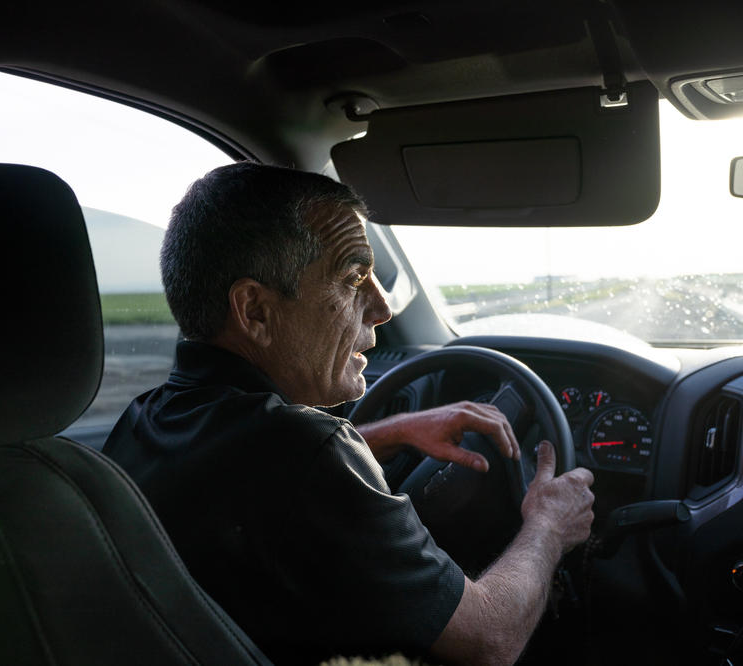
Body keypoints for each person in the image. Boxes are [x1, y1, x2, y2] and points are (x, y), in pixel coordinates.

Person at [103, 162, 595, 665]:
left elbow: (260, 476)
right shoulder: (307, 452)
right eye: (353, 275)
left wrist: (392, 431)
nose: (382, 308)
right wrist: (549, 525)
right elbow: (491, 639)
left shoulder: (144, 421)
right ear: (254, 311)